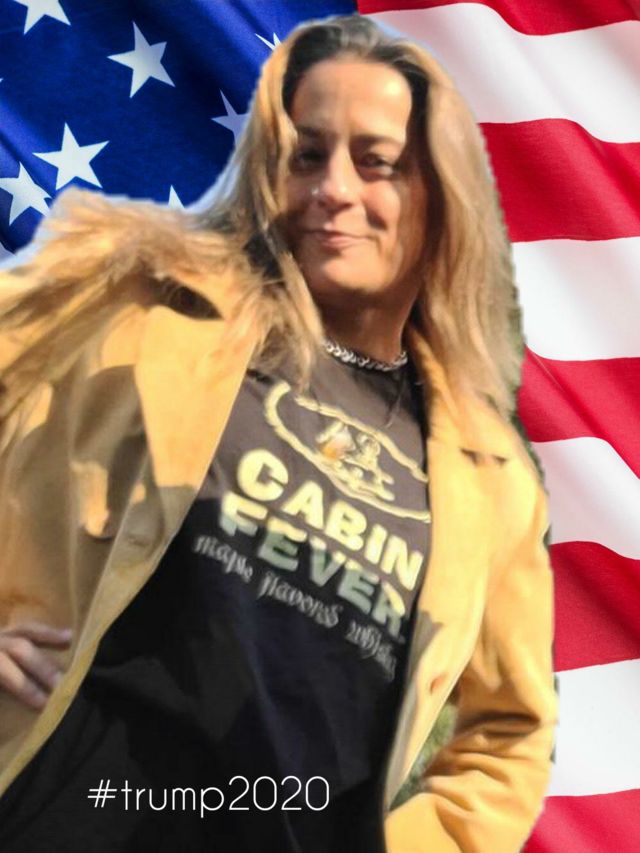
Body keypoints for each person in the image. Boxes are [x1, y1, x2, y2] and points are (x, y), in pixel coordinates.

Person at [0, 13, 557, 852]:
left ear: (441, 195)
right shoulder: (144, 313)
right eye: (307, 154)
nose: (334, 188)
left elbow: (510, 734)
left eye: (376, 162)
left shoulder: (489, 475)